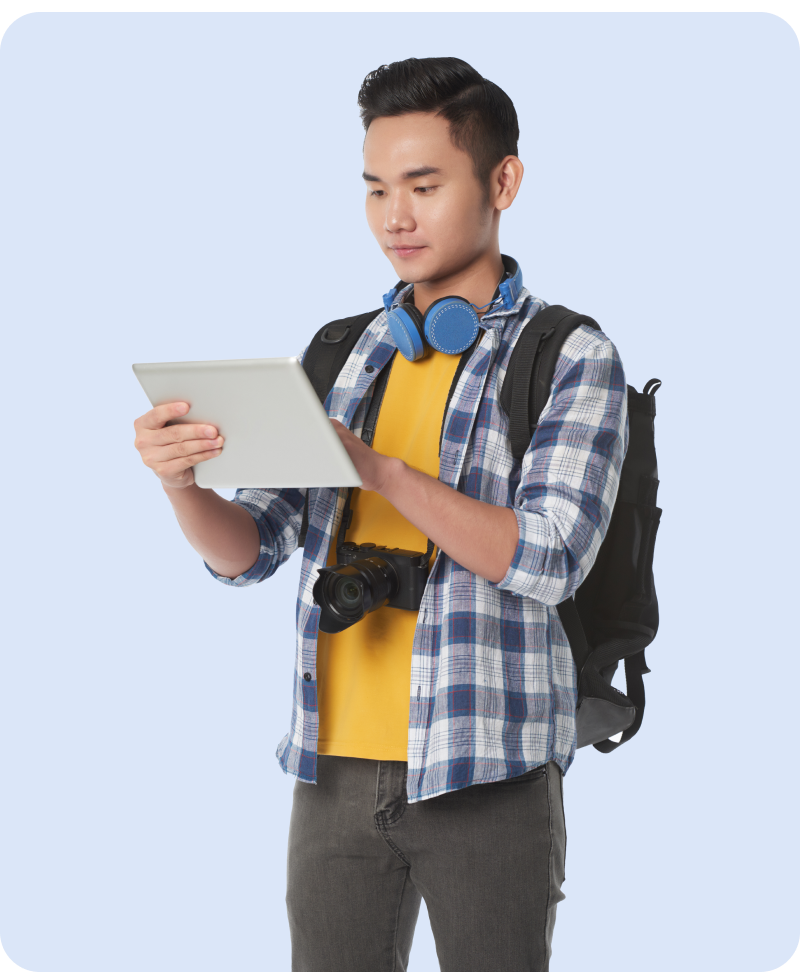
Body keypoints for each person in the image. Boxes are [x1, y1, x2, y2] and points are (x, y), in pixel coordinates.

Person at [133, 56, 628, 972]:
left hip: (489, 768)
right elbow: (252, 551)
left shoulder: (568, 356)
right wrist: (181, 484)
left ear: (503, 181)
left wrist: (378, 470)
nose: (394, 218)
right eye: (375, 189)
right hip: (331, 771)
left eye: (424, 185)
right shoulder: (342, 352)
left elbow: (550, 556)